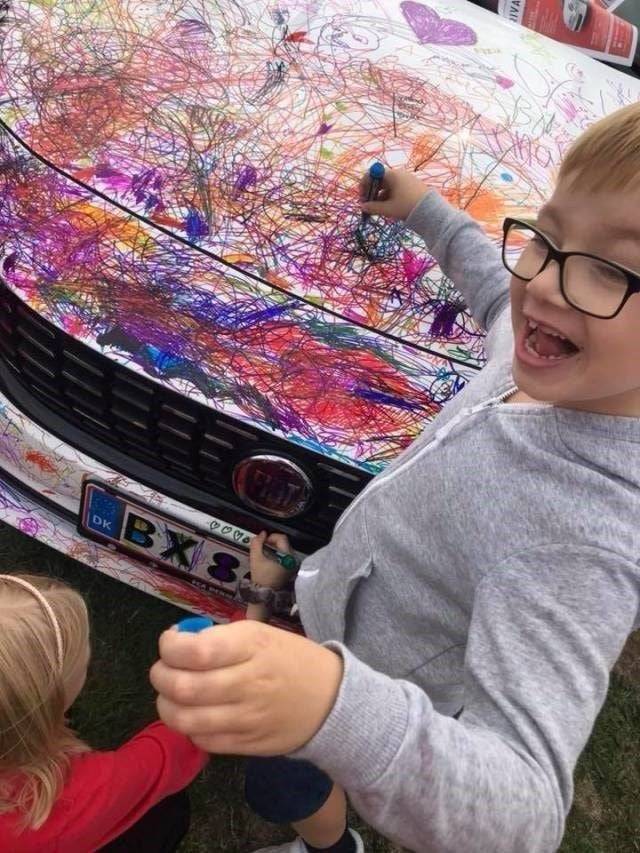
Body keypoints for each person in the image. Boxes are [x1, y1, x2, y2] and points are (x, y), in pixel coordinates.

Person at [150, 102, 640, 853]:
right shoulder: (540, 352)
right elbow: (488, 282)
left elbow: (527, 814)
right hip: (328, 612)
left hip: (368, 689)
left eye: (610, 267)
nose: (542, 282)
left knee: (281, 780)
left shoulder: (584, 536)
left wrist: (332, 708)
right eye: (548, 236)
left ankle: (333, 845)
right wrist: (423, 210)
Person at [0, 572, 208, 852]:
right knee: (167, 812)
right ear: (37, 709)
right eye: (82, 660)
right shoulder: (55, 806)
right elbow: (167, 755)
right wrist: (250, 620)